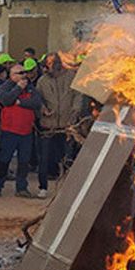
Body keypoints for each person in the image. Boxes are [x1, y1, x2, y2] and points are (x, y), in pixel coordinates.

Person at [0, 60, 42, 199]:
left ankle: (21, 187)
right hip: (9, 130)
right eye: (21, 73)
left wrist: (20, 102)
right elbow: (6, 100)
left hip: (26, 131)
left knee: (24, 161)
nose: (25, 75)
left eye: (25, 72)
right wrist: (18, 88)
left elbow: (36, 102)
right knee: (4, 159)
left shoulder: (31, 88)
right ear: (12, 75)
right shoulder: (5, 86)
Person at [36, 54, 80, 197]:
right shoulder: (42, 81)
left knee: (66, 157)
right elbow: (37, 99)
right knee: (44, 158)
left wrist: (74, 115)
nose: (47, 68)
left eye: (49, 65)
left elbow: (77, 97)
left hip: (66, 126)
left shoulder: (71, 77)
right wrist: (43, 109)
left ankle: (66, 188)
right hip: (48, 126)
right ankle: (43, 187)